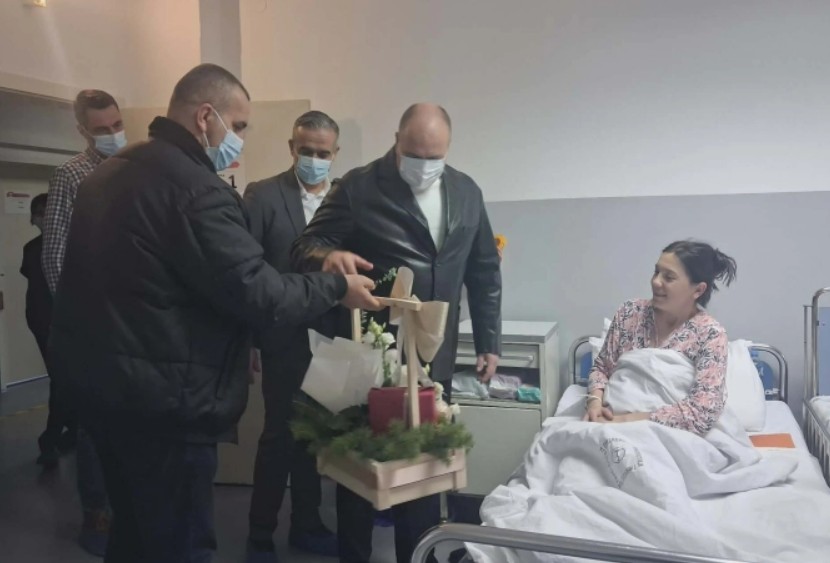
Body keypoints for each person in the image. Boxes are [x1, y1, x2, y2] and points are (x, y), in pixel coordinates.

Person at [48, 63, 380, 563]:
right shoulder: (197, 190)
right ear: (206, 117)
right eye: (239, 125)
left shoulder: (112, 173)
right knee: (179, 542)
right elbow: (259, 291)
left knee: (133, 535)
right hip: (165, 403)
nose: (240, 139)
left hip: (106, 393)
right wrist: (336, 286)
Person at [292, 103, 502, 563]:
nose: (424, 166)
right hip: (372, 355)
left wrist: (489, 341)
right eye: (414, 154)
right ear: (396, 141)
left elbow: (484, 270)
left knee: (422, 473)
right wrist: (327, 259)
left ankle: (418, 556)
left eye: (434, 157)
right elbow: (304, 246)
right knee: (360, 476)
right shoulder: (359, 187)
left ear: (448, 149)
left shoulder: (467, 192)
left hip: (432, 354)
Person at [243, 110, 341, 562]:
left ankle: (307, 523)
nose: (314, 160)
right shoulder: (263, 195)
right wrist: (249, 338)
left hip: (334, 339)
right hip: (282, 335)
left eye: (323, 153)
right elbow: (245, 271)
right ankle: (259, 533)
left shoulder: (344, 199)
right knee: (278, 436)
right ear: (291, 148)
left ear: (335, 153)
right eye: (306, 151)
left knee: (315, 435)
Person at [42, 88, 126, 557]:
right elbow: (55, 257)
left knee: (132, 420)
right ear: (81, 130)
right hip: (94, 325)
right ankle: (97, 514)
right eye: (101, 129)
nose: (113, 134)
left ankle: (129, 509)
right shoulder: (71, 175)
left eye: (117, 124)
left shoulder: (134, 168)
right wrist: (84, 322)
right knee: (95, 424)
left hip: (136, 321)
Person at [584, 240, 737, 435]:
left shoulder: (710, 334)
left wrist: (623, 422)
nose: (656, 281)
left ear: (698, 290)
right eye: (656, 272)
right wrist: (595, 403)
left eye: (669, 277)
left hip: (670, 434)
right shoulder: (630, 313)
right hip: (606, 423)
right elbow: (602, 368)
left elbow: (701, 413)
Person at [20, 194, 76, 468]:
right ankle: (51, 440)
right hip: (49, 321)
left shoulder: (38, 248)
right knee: (64, 379)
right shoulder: (56, 248)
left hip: (49, 319)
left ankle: (71, 431)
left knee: (66, 379)